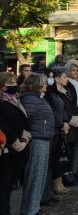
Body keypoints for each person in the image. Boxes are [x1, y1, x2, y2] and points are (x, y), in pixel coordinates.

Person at [19, 73, 55, 215]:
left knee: (40, 175)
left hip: (43, 138)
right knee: (35, 175)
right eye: (44, 82)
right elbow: (26, 119)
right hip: (36, 140)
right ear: (37, 84)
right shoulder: (29, 99)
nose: (46, 85)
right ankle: (29, 209)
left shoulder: (39, 98)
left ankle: (34, 207)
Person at [0, 72, 30, 215]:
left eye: (14, 83)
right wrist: (15, 142)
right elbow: (3, 125)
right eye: (9, 84)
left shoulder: (16, 100)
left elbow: (25, 122)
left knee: (8, 187)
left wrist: (24, 140)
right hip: (7, 149)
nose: (13, 86)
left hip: (20, 147)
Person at [44, 68, 76, 201]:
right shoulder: (49, 94)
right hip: (54, 129)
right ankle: (52, 187)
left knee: (58, 159)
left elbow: (61, 108)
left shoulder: (57, 93)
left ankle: (58, 184)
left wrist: (65, 122)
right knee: (52, 161)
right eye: (49, 77)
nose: (50, 79)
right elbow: (51, 112)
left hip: (61, 128)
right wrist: (61, 123)